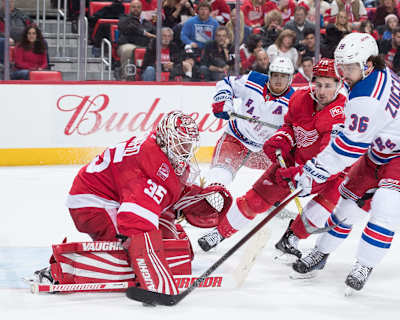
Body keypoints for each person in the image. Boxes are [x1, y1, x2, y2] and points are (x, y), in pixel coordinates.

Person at [291, 33, 400, 293]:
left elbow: (349, 148)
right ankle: (321, 253)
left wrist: (313, 172)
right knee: (346, 208)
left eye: (350, 67)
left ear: (368, 63)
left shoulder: (367, 96)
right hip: (380, 151)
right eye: (342, 66)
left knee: (387, 204)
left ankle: (364, 264)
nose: (344, 73)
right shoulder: (378, 73)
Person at [31, 111, 232, 294]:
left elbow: (168, 192)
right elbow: (135, 222)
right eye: (182, 143)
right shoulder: (149, 166)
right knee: (127, 251)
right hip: (92, 203)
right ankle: (61, 271)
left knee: (176, 248)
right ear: (168, 140)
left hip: (111, 198)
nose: (186, 150)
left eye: (189, 144)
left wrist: (198, 200)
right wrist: (154, 278)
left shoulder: (160, 150)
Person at [197, 59, 347, 254]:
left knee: (329, 198)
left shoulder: (342, 113)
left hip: (329, 171)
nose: (322, 91)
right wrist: (282, 139)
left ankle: (293, 237)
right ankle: (220, 233)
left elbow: (330, 155)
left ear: (339, 85)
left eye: (328, 86)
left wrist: (304, 174)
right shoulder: (301, 98)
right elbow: (290, 126)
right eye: (318, 84)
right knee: (256, 200)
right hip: (294, 162)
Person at [201, 56, 295, 192]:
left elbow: (298, 129)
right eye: (275, 75)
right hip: (236, 139)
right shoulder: (253, 80)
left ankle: (272, 205)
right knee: (219, 179)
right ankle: (206, 199)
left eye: (283, 76)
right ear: (269, 74)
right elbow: (226, 83)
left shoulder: (294, 101)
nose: (279, 80)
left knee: (273, 185)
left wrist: (287, 136)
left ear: (290, 78)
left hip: (265, 151)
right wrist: (223, 101)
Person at [117, 0, 155, 80]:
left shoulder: (146, 22)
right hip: (128, 44)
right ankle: (127, 77)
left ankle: (147, 75)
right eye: (133, 7)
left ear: (141, 9)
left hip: (144, 45)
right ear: (129, 8)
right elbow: (130, 27)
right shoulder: (124, 18)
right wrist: (144, 33)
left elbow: (152, 31)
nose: (136, 9)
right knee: (128, 50)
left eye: (138, 7)